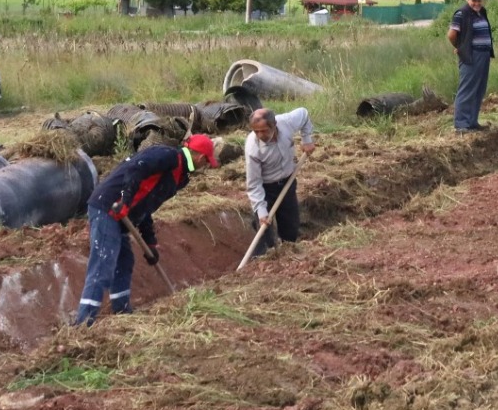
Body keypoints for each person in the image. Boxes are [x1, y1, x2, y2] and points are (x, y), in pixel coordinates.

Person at [73, 133, 218, 326]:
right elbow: (135, 168)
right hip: (108, 206)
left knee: (124, 261)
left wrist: (150, 241)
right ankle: (84, 321)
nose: (206, 166)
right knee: (103, 261)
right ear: (200, 157)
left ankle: (122, 310)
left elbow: (148, 203)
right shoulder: (167, 156)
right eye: (206, 161)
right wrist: (125, 199)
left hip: (123, 214)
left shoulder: (182, 176)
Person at [244, 106, 317, 257]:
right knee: (263, 227)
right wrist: (261, 210)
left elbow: (304, 113)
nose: (260, 135)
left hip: (288, 181)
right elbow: (254, 183)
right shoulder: (253, 148)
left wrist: (307, 140)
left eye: (263, 130)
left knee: (290, 224)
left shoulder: (286, 122)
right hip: (266, 188)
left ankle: (288, 253)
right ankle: (263, 259)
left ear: (274, 125)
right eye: (256, 131)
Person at [447, 0, 494, 132]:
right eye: (474, 0)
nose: (476, 3)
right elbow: (451, 35)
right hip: (471, 55)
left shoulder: (481, 12)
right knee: (467, 89)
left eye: (479, 1)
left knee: (479, 89)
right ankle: (461, 124)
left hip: (484, 55)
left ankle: (472, 122)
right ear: (468, 0)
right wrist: (460, 47)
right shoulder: (462, 14)